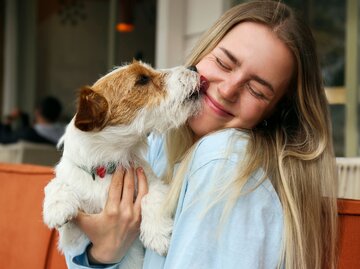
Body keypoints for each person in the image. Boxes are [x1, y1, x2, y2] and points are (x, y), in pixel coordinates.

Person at [65, 1, 338, 268]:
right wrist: (106, 252)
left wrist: (103, 252)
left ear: (274, 114)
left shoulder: (224, 158)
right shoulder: (157, 143)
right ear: (202, 53)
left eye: (257, 90)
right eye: (223, 63)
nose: (229, 89)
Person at [0, 96, 65, 145]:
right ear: (59, 115)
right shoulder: (66, 134)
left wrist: (8, 119)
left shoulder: (28, 134)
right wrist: (24, 118)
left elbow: (4, 138)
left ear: (38, 112)